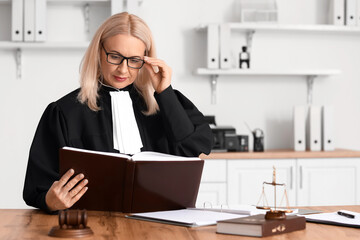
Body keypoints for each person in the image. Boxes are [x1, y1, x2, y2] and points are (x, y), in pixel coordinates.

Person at [23, 12, 213, 213]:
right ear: (99, 52)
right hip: (90, 226)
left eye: (134, 60)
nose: (123, 69)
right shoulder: (63, 112)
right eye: (115, 56)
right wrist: (51, 201)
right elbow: (37, 187)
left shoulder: (164, 103)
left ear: (146, 61)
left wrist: (164, 93)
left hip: (158, 223)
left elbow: (194, 149)